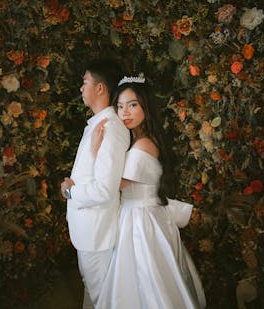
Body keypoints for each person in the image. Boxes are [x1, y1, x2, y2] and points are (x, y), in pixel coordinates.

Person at [93, 75, 206, 309]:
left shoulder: (143, 145)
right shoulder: (141, 140)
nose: (125, 113)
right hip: (143, 216)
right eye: (120, 106)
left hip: (140, 223)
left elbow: (113, 184)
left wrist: (96, 151)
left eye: (132, 105)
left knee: (145, 281)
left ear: (146, 106)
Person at [60, 58, 130, 309]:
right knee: (93, 291)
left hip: (97, 233)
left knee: (104, 296)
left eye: (85, 82)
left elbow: (104, 189)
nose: (81, 88)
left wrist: (70, 191)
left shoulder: (111, 128)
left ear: (100, 88)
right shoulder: (98, 125)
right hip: (89, 229)